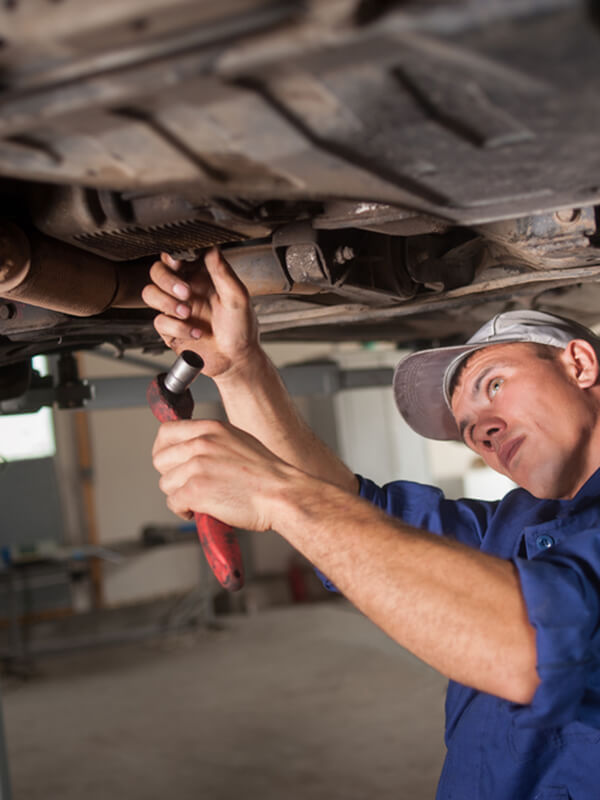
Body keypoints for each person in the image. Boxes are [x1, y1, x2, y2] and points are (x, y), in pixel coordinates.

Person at [143, 248, 600, 799]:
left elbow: (526, 647)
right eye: (468, 427)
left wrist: (276, 495)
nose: (482, 431)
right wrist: (238, 369)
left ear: (579, 364)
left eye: (494, 385)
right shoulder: (517, 525)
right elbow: (355, 517)